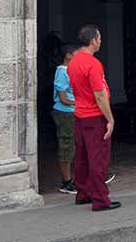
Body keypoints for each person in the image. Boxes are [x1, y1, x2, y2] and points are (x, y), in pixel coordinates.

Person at [67, 25, 121, 211]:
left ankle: (83, 193)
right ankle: (100, 199)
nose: (100, 41)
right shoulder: (93, 64)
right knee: (98, 159)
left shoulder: (73, 61)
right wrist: (110, 119)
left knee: (81, 157)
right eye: (99, 38)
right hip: (94, 115)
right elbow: (99, 95)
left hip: (80, 114)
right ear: (92, 41)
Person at [53, 45, 78, 194]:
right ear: (68, 55)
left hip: (71, 112)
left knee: (72, 146)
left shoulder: (70, 71)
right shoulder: (62, 71)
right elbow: (63, 99)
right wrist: (79, 101)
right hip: (65, 113)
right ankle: (66, 182)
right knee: (66, 146)